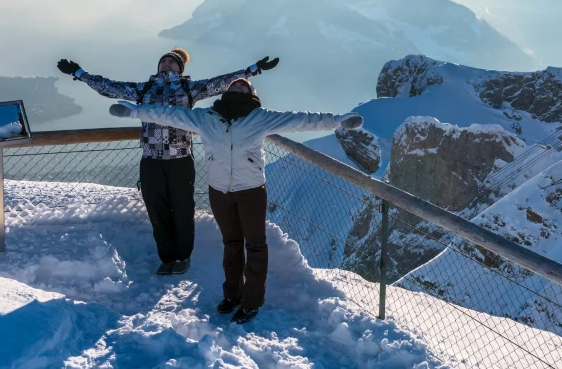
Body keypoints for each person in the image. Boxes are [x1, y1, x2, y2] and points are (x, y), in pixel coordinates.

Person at [108, 78, 362, 324]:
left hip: (251, 190)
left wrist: (339, 121)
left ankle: (251, 301)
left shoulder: (260, 117)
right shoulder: (207, 117)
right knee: (231, 243)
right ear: (226, 92)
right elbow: (168, 114)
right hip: (219, 191)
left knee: (255, 246)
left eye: (244, 84)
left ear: (251, 93)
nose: (239, 84)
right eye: (234, 84)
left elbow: (302, 119)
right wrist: (133, 111)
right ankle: (231, 295)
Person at [56, 49, 279, 276]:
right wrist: (79, 72)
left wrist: (253, 70)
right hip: (151, 160)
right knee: (157, 211)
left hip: (180, 160)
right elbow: (109, 87)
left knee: (183, 210)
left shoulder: (188, 88)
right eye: (163, 60)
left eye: (172, 61)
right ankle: (166, 258)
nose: (166, 63)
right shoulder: (144, 89)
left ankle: (183, 257)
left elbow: (220, 83)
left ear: (180, 69)